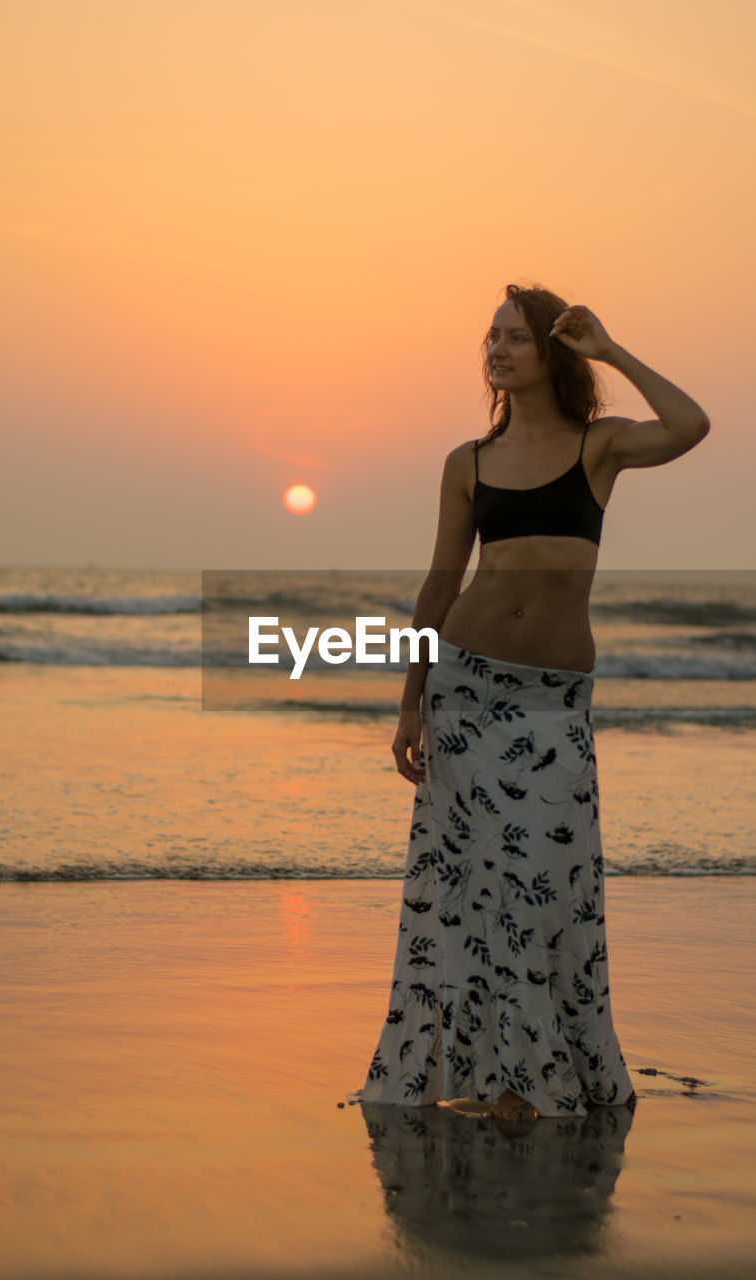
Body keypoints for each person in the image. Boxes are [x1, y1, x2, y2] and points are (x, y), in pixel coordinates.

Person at [358, 283, 710, 1125]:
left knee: (546, 885)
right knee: (473, 891)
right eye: (491, 336)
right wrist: (410, 701)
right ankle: (501, 1084)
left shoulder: (598, 448)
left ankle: (536, 1075)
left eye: (516, 336)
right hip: (464, 689)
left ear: (551, 352)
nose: (497, 348)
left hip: (551, 705)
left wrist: (611, 349)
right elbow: (441, 582)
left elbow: (690, 425)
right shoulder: (467, 463)